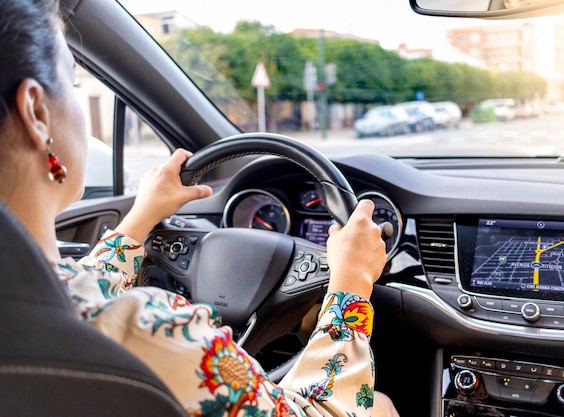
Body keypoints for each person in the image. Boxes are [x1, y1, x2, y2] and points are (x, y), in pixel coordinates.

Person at [0, 0, 400, 416]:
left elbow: (74, 287)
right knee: (381, 406)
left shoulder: (35, 307)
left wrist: (139, 221)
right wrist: (350, 287)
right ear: (36, 112)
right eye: (75, 84)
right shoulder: (156, 333)